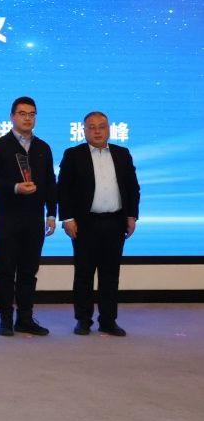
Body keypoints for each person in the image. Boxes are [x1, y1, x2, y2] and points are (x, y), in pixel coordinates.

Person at [58, 111, 140, 337]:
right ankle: (83, 320)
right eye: (91, 127)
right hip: (85, 224)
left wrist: (131, 216)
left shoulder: (122, 154)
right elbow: (63, 189)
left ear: (109, 129)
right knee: (84, 274)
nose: (97, 131)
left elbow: (132, 188)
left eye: (101, 126)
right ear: (84, 130)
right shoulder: (73, 155)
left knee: (110, 274)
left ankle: (108, 321)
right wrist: (67, 218)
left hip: (115, 222)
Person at [0, 96, 57, 336]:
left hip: (34, 217)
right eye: (22, 114)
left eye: (32, 114)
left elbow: (50, 182)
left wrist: (51, 213)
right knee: (6, 269)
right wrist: (14, 187)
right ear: (12, 116)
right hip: (8, 216)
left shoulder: (43, 148)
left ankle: (25, 318)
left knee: (29, 270)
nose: (27, 118)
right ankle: (5, 318)